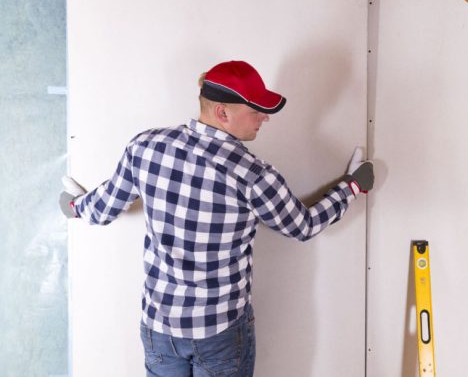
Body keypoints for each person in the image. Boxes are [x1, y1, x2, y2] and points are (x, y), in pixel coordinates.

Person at [58, 60, 374, 377]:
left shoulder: (145, 147)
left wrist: (74, 206)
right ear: (222, 113)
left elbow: (103, 208)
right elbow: (302, 226)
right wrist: (352, 186)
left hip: (160, 329)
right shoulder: (252, 174)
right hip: (220, 333)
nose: (264, 118)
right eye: (256, 110)